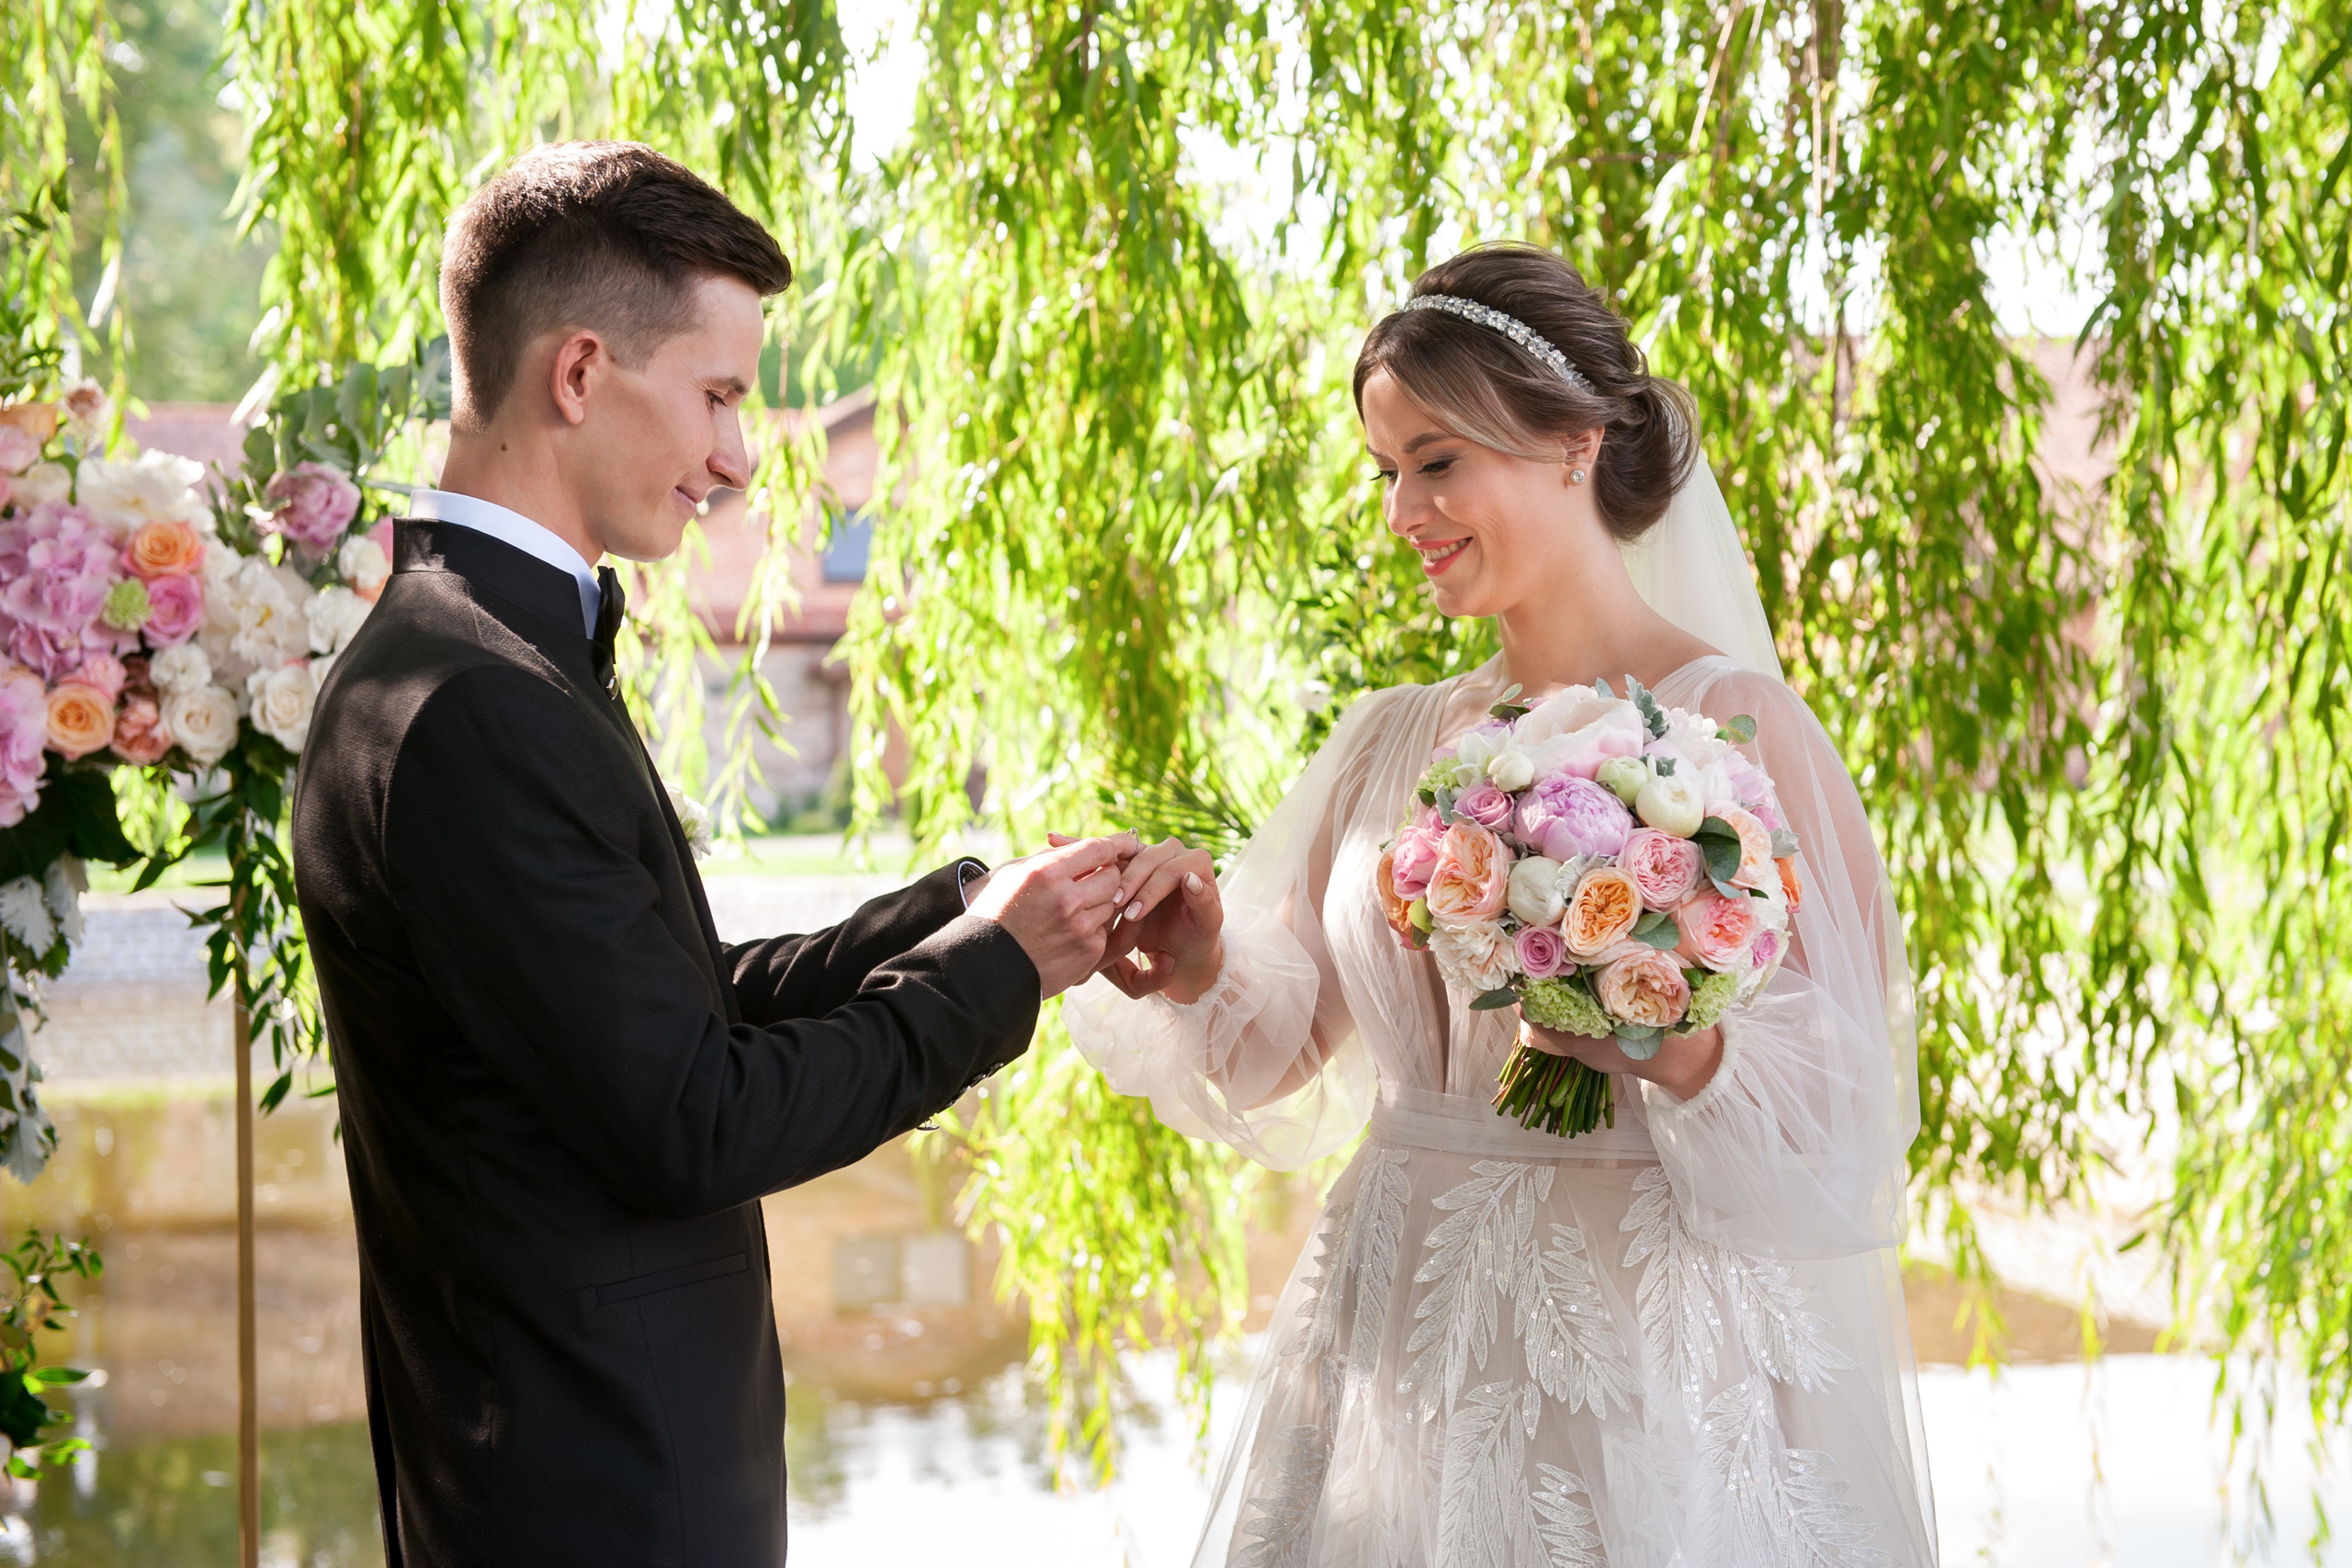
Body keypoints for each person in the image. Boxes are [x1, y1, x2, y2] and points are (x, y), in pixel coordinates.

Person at [291, 141, 1135, 1567]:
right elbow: (700, 1118)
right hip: (596, 1494)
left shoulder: (461, 657)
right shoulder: (475, 700)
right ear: (577, 374)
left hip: (585, 1469)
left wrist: (965, 911)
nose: (742, 458)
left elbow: (659, 1007)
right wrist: (998, 978)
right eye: (720, 396)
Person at [1079, 244, 1938, 1565]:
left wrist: (1672, 1038)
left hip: (1646, 1353)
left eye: (1436, 461)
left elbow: (1846, 1107)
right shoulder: (1387, 743)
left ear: (1572, 445)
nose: (1401, 512)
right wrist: (1200, 968)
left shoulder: (1737, 727)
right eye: (1386, 471)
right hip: (1395, 1336)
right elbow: (1275, 1057)